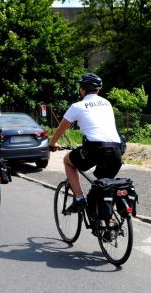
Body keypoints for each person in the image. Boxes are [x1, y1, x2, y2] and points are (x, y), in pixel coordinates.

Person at [49, 73, 123, 212]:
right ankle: (109, 222)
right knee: (103, 187)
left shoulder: (78, 106)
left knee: (68, 161)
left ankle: (79, 198)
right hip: (116, 150)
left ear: (82, 89)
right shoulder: (106, 103)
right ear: (98, 90)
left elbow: (61, 128)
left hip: (96, 149)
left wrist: (52, 143)